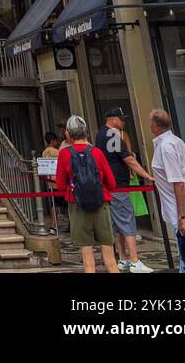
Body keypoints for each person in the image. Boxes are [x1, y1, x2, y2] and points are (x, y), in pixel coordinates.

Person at [55, 114, 119, 274]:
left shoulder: (64, 154)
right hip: (101, 203)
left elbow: (61, 184)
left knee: (88, 259)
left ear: (68, 134)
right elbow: (111, 183)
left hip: (78, 205)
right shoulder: (97, 152)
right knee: (110, 260)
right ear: (86, 133)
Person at [94, 107, 155, 273]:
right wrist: (147, 175)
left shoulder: (101, 133)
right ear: (114, 120)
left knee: (118, 225)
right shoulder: (112, 134)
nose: (123, 122)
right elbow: (128, 159)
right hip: (118, 185)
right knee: (127, 222)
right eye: (122, 119)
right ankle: (135, 260)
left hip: (108, 185)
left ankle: (123, 258)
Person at [149, 108, 185, 274]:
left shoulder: (166, 147)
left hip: (184, 206)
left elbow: (179, 182)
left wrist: (182, 216)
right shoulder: (175, 141)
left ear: (154, 125)